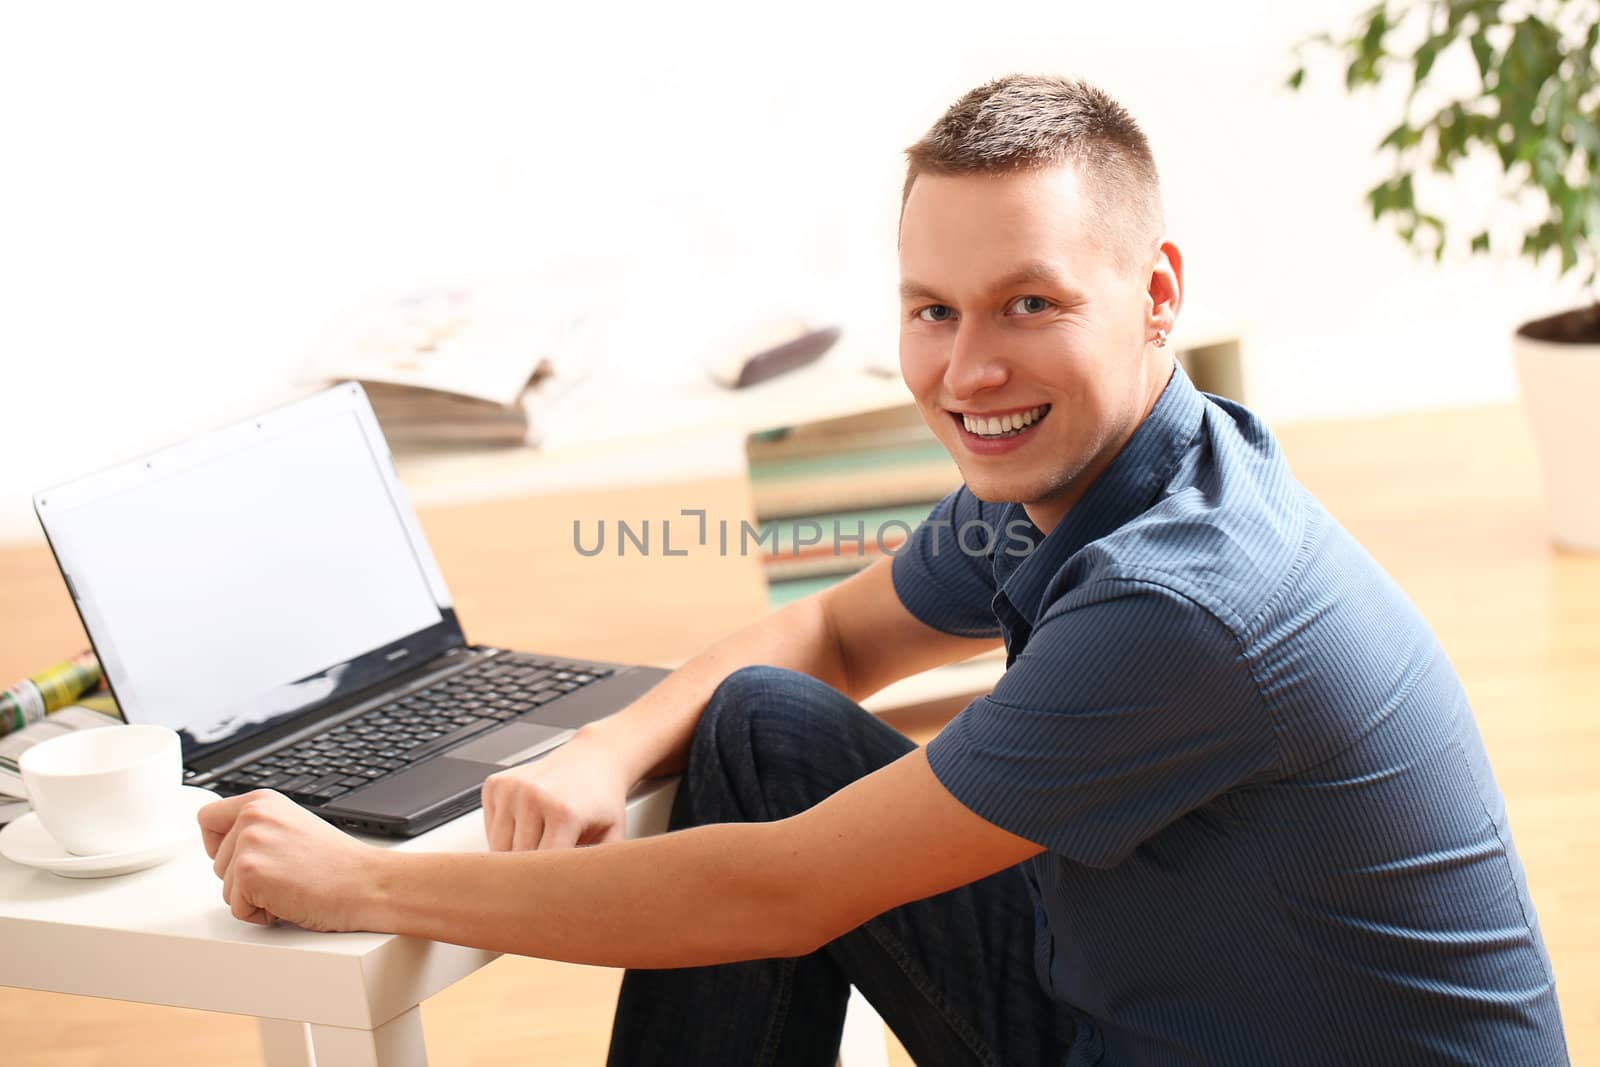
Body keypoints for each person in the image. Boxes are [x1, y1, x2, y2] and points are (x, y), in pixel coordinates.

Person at [200, 75, 1569, 1065]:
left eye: (1029, 303)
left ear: (1157, 295)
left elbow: (778, 890)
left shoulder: (1182, 606)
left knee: (766, 855)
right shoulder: (1084, 471)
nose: (968, 371)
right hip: (1140, 1008)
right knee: (760, 726)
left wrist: (357, 881)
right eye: (933, 310)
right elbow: (833, 644)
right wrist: (603, 752)